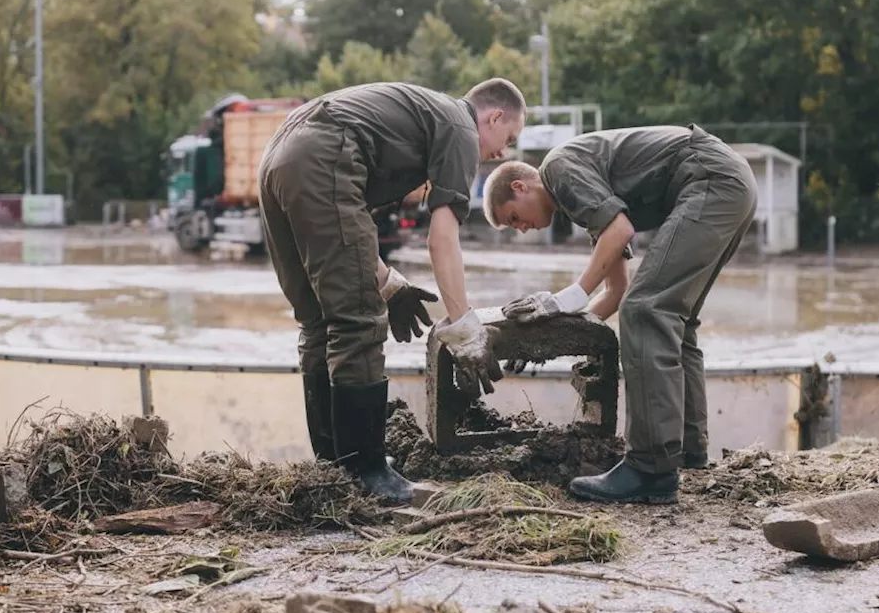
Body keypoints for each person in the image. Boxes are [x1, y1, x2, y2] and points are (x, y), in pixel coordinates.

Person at [258, 79, 527, 504]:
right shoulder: (460, 127)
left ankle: (331, 469)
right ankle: (366, 471)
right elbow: (442, 240)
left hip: (280, 154)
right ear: (492, 117)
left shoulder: (422, 115)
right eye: (507, 138)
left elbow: (348, 218)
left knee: (319, 320)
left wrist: (388, 282)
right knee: (359, 320)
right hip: (322, 152)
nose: (502, 154)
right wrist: (464, 326)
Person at [481, 124, 758, 504]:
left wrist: (566, 298)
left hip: (710, 179)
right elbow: (616, 291)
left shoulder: (558, 169)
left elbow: (620, 231)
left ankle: (650, 468)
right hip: (728, 181)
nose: (523, 229)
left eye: (513, 218)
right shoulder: (587, 198)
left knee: (647, 311)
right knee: (673, 317)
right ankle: (688, 452)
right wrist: (551, 339)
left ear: (520, 187)